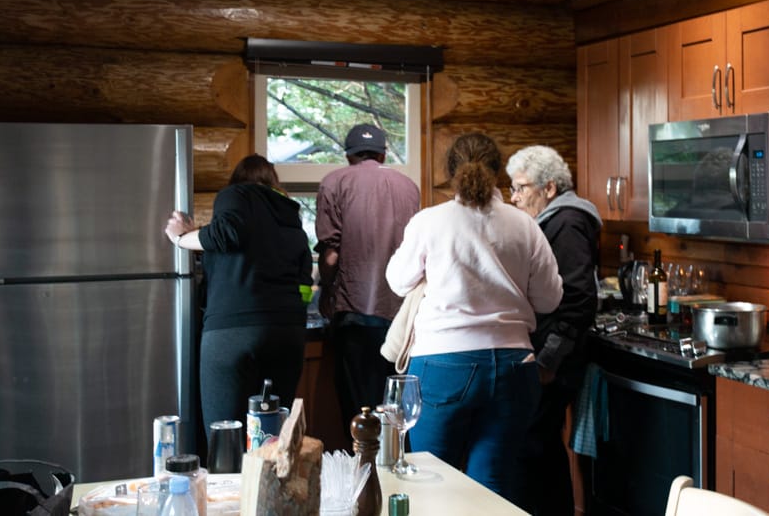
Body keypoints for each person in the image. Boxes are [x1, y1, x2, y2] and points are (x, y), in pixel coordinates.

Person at [385, 132, 563, 505]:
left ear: (451, 171)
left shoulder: (430, 221)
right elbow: (550, 298)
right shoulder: (524, 224)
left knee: (431, 483)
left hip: (443, 363)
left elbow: (398, 281)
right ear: (498, 171)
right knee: (494, 488)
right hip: (516, 365)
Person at [164, 154, 313, 440]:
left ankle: (228, 483)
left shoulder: (236, 195)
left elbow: (226, 233)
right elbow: (304, 278)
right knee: (273, 440)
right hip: (287, 335)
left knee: (226, 438)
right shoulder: (290, 214)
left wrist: (181, 238)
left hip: (234, 332)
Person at [505, 145, 602, 515]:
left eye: (521, 188)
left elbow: (578, 298)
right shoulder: (552, 220)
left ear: (548, 189)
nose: (514, 198)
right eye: (512, 189)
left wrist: (548, 361)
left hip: (556, 358)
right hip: (548, 351)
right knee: (537, 443)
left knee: (535, 444)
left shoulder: (568, 222)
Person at [315, 123, 420, 438]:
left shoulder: (334, 182)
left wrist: (324, 294)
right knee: (397, 416)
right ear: (383, 153)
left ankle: (367, 484)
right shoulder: (408, 186)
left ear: (349, 156)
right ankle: (396, 482)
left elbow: (331, 255)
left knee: (362, 417)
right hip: (403, 317)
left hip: (356, 314)